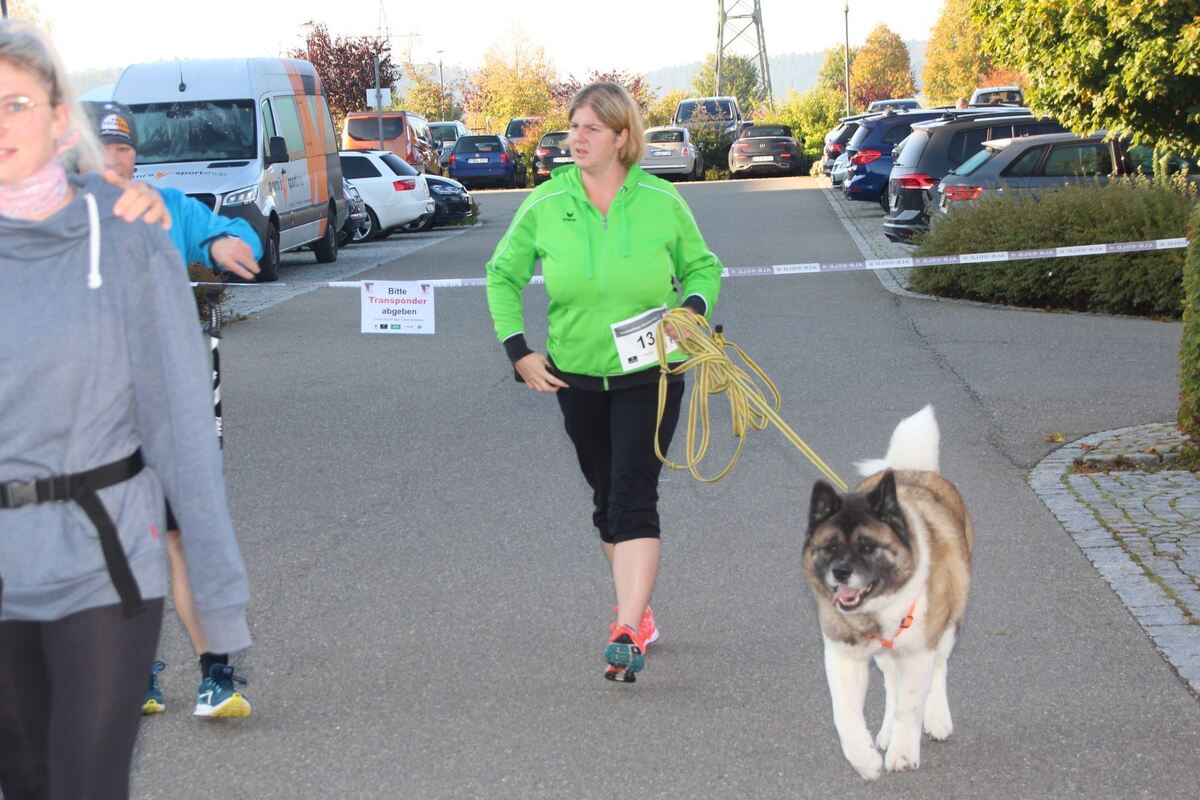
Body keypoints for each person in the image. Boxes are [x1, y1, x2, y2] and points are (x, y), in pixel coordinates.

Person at [0, 19, 251, 800]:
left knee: (83, 783)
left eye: (14, 103)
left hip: (102, 559)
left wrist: (217, 602)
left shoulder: (132, 233)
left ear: (55, 111)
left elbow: (181, 426)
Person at [485, 82, 722, 683]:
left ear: (622, 137)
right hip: (577, 377)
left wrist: (692, 309)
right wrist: (518, 351)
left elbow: (702, 265)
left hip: (654, 373)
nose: (576, 138)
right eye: (573, 127)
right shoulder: (545, 203)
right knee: (605, 501)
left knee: (633, 491)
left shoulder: (662, 200)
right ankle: (638, 611)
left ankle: (626, 625)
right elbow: (501, 275)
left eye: (591, 128)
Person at [86, 100, 260, 718]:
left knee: (187, 537)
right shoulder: (57, 219)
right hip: (92, 416)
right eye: (103, 146)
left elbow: (228, 231)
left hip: (171, 402)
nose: (115, 157)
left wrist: (223, 245)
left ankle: (217, 676)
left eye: (125, 147)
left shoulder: (163, 210)